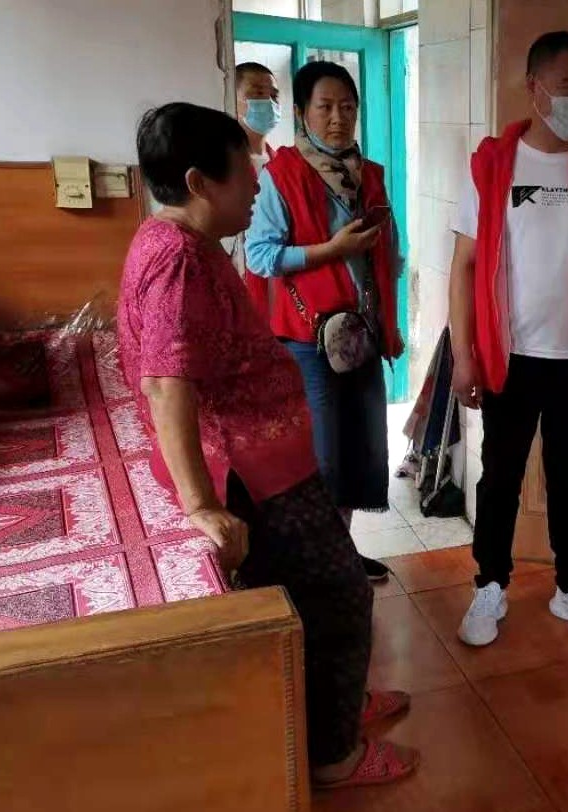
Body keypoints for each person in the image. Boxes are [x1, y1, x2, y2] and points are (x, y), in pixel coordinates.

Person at [119, 102, 418, 787]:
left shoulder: (173, 241)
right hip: (254, 473)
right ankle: (335, 757)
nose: (258, 181)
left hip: (268, 460)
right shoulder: (178, 261)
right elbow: (166, 384)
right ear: (199, 182)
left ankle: (336, 706)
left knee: (317, 600)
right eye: (243, 169)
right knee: (342, 597)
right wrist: (202, 506)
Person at [449, 31, 568, 647]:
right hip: (508, 358)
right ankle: (489, 584)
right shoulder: (492, 165)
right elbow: (463, 266)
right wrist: (462, 357)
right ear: (534, 88)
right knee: (499, 476)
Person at [245, 61, 404, 584]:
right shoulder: (282, 176)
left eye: (348, 107)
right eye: (326, 106)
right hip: (309, 341)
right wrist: (329, 251)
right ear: (301, 112)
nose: (339, 118)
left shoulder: (370, 175)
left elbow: (387, 251)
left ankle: (341, 555)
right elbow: (261, 257)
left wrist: (389, 318)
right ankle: (319, 566)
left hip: (362, 334)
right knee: (325, 458)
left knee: (362, 451)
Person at [226, 62, 279, 279]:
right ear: (234, 99)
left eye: (274, 95)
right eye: (257, 93)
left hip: (275, 275)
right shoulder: (224, 167)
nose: (269, 102)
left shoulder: (282, 165)